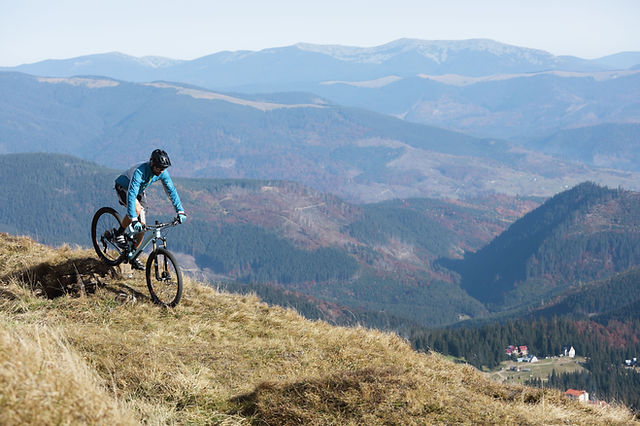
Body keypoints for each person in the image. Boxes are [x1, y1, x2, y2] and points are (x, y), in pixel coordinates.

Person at [113, 149, 187, 269]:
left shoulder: (162, 172)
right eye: (159, 168)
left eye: (164, 168)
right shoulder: (139, 172)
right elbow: (131, 194)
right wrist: (133, 219)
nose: (162, 170)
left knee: (143, 228)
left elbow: (171, 191)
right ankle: (118, 233)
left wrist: (180, 211)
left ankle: (133, 255)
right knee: (136, 211)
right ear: (152, 164)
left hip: (139, 191)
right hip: (124, 187)